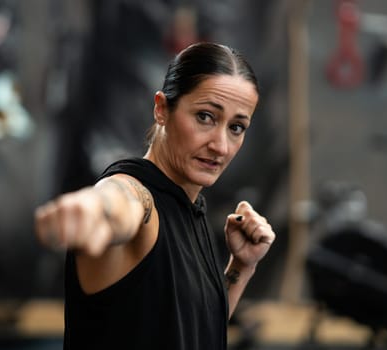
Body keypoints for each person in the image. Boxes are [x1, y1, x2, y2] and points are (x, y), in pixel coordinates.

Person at [34, 42, 276, 350]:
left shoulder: (188, 207)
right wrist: (92, 209)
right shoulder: (138, 192)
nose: (221, 145)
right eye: (205, 116)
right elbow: (120, 202)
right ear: (162, 109)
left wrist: (242, 267)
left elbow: (192, 328)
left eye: (237, 127)